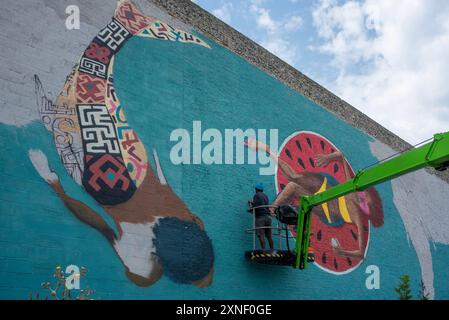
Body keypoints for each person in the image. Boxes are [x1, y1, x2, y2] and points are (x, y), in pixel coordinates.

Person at [245, 138, 384, 260]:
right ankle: (267, 150)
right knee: (293, 179)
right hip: (323, 187)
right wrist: (328, 157)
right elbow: (341, 156)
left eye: (365, 201)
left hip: (324, 208)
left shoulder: (357, 217)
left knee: (293, 186)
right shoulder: (353, 190)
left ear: (367, 209)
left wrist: (341, 251)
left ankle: (271, 211)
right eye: (363, 194)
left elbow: (360, 253)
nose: (362, 197)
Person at [249, 183, 275, 251]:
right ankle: (272, 250)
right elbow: (262, 204)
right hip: (268, 217)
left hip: (261, 218)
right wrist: (253, 203)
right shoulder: (265, 196)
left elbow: (256, 206)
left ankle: (263, 250)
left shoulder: (256, 195)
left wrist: (251, 206)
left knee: (261, 235)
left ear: (256, 190)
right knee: (269, 236)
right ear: (262, 190)